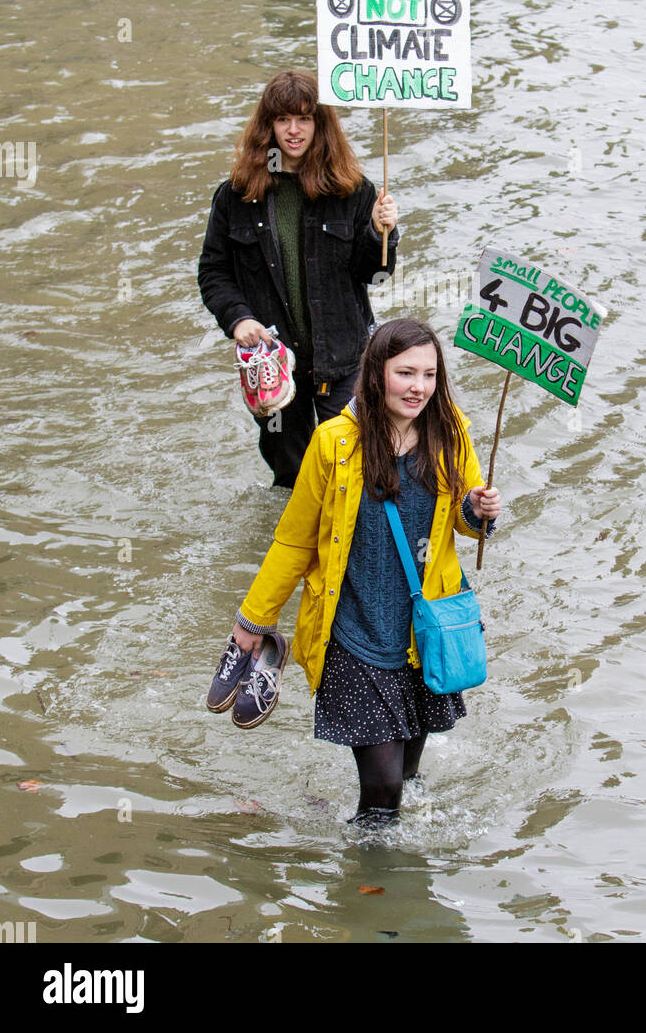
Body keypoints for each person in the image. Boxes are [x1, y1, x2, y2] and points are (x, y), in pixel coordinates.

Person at [228, 318, 502, 827]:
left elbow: (466, 523)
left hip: (425, 632)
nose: (418, 387)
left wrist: (479, 512)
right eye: (405, 373)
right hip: (354, 634)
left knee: (409, 775)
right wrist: (253, 619)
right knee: (382, 794)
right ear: (376, 374)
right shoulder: (333, 443)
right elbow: (293, 541)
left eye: (429, 374)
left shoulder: (452, 430)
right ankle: (369, 888)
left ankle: (400, 881)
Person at [197, 69, 398, 488]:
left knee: (354, 472)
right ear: (267, 126)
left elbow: (375, 275)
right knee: (291, 479)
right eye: (283, 118)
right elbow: (213, 272)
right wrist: (238, 320)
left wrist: (382, 234)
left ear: (320, 125)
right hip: (274, 365)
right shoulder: (235, 196)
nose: (293, 130)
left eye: (304, 118)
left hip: (343, 359)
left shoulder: (354, 191)